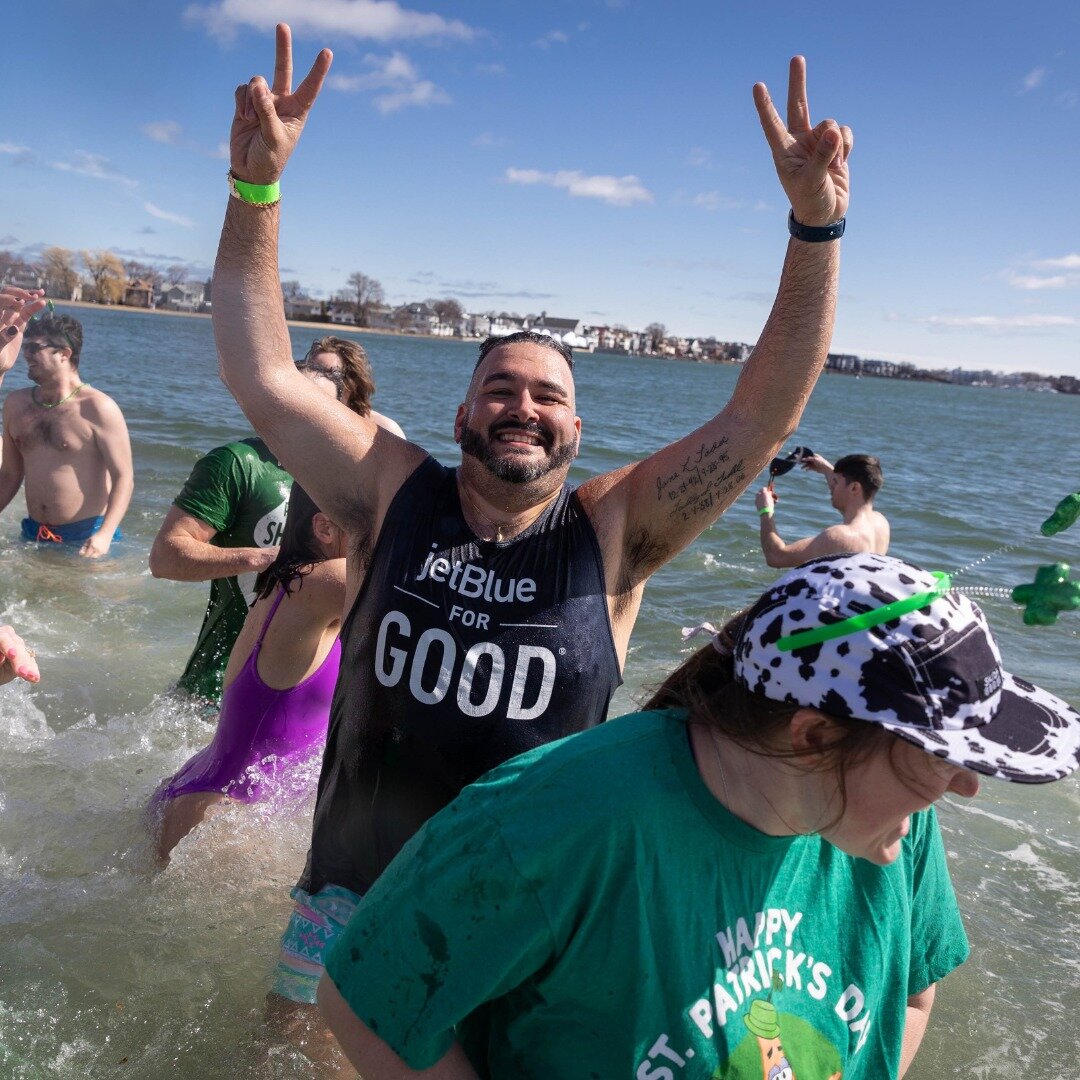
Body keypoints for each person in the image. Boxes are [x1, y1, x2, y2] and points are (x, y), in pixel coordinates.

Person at [213, 26, 852, 1044]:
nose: (523, 406)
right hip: (348, 894)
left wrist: (815, 231)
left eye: (547, 395)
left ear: (576, 428)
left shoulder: (615, 531)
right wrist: (255, 194)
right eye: (498, 389)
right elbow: (263, 376)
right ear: (463, 416)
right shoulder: (393, 494)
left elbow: (760, 419)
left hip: (534, 917)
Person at [316, 553, 1080, 1079]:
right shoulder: (558, 818)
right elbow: (364, 1001)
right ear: (812, 735)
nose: (967, 786)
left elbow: (912, 993)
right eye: (939, 753)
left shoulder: (892, 828)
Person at [149, 361, 397, 704]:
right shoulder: (236, 464)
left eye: (318, 406)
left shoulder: (349, 480)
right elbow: (166, 557)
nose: (304, 415)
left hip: (317, 689)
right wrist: (266, 557)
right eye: (293, 401)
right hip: (219, 687)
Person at [147, 484, 346, 861]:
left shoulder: (291, 581)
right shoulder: (327, 581)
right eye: (371, 521)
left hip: (201, 793)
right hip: (223, 820)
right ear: (325, 529)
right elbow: (416, 592)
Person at [0, 309, 133, 557]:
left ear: (64, 353)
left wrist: (104, 535)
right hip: (32, 533)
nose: (26, 354)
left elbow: (123, 477)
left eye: (34, 348)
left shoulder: (98, 408)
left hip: (85, 539)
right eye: (25, 347)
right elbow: (10, 474)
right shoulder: (16, 405)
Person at [756, 452, 889, 567]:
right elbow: (853, 501)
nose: (832, 487)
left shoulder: (839, 537)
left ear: (854, 488)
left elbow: (776, 557)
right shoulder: (880, 523)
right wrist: (826, 469)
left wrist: (766, 511)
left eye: (836, 482)